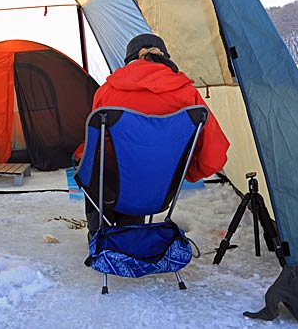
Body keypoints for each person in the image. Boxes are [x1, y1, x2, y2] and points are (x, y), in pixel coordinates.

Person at [82, 33, 230, 237]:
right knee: (142, 174)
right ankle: (131, 233)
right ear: (164, 58)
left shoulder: (107, 92)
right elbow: (214, 154)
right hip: (161, 191)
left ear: (129, 61)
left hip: (112, 188)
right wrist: (187, 172)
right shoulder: (188, 94)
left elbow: (94, 146)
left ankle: (98, 234)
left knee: (97, 169)